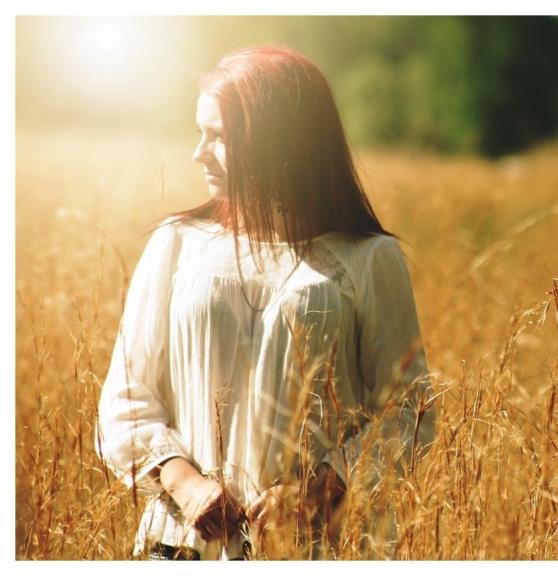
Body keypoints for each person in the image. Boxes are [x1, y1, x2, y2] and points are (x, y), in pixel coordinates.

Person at [95, 45, 436, 560]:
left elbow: (409, 411)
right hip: (182, 545)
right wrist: (186, 484)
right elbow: (126, 395)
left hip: (312, 549)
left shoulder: (369, 258)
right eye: (199, 132)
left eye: (219, 137)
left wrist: (318, 490)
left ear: (278, 143)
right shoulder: (177, 243)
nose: (199, 153)